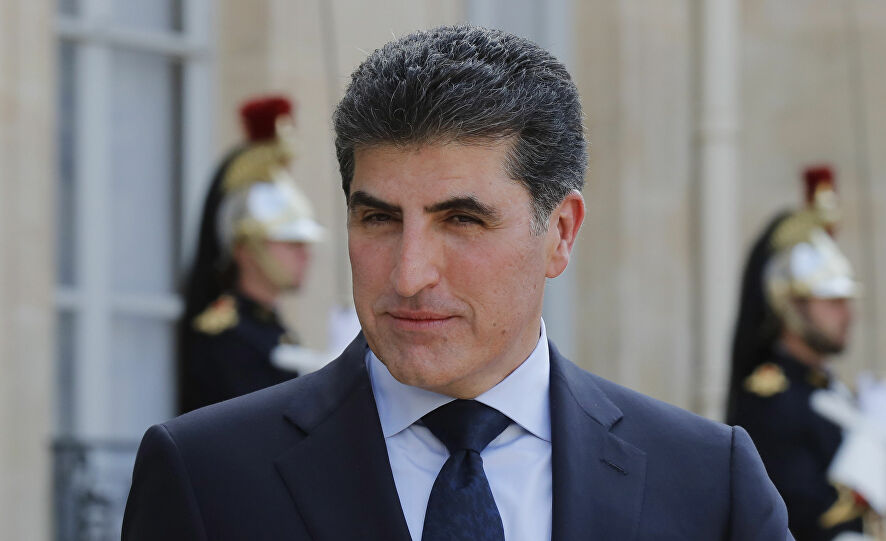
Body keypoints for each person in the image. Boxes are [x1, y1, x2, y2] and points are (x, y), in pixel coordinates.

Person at [124, 25, 793, 540]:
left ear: (561, 233)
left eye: (462, 220)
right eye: (379, 219)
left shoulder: (710, 483)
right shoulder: (205, 476)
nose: (409, 273)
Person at [727, 167, 886, 541]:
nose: (848, 315)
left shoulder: (826, 389)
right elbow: (814, 523)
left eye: (847, 300)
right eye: (832, 302)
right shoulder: (770, 401)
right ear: (791, 305)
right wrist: (872, 438)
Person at [177, 95, 324, 413]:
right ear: (245, 250)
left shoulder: (277, 331)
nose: (305, 254)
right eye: (290, 242)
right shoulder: (224, 336)